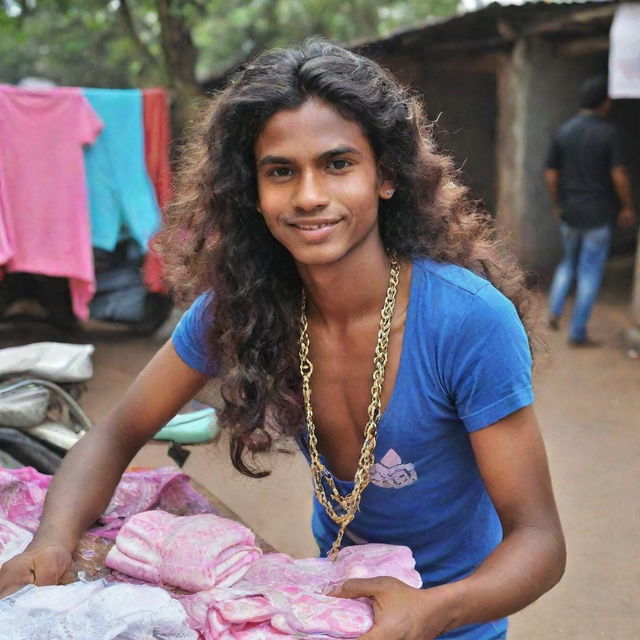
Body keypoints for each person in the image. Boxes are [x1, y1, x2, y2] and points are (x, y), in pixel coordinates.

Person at [0, 40, 565, 639]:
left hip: (456, 620)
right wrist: (54, 543)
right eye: (281, 172)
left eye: (338, 164)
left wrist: (437, 611)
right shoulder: (242, 309)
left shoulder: (468, 323)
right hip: (331, 608)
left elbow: (539, 539)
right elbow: (115, 433)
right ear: (253, 191)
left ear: (388, 176)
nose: (308, 196)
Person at [545, 75, 637, 346]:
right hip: (598, 215)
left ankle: (554, 310)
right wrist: (627, 205)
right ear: (605, 103)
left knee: (568, 263)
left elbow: (551, 174)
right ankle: (577, 332)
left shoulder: (563, 131)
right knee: (590, 272)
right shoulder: (610, 133)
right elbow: (618, 173)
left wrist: (557, 203)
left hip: (570, 213)